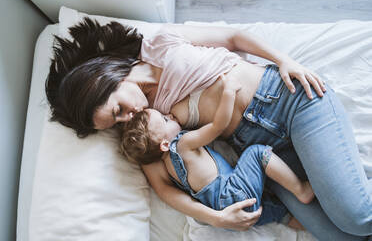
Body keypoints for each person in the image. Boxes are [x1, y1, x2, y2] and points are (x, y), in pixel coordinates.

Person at [46, 17, 371, 240]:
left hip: (289, 102)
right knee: (341, 235)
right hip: (268, 155)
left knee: (356, 218)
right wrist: (215, 218)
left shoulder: (160, 44)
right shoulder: (150, 125)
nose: (125, 119)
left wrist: (284, 60)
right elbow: (164, 188)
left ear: (108, 78)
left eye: (117, 110)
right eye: (116, 124)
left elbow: (233, 38)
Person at [119, 74, 314, 229]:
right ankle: (301, 190)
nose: (169, 114)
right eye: (165, 120)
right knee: (257, 153)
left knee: (282, 215)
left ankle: (309, 227)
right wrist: (228, 92)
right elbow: (218, 126)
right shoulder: (182, 145)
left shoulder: (169, 169)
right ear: (163, 144)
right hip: (233, 193)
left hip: (225, 209)